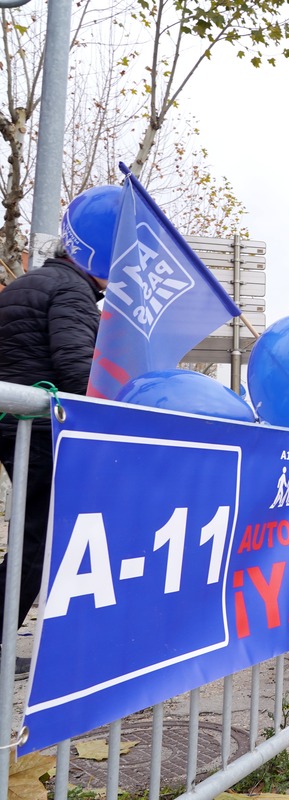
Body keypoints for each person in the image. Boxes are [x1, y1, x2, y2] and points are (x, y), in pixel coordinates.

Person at [0, 226, 109, 673]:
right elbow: (75, 368)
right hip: (38, 428)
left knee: (30, 532)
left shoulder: (28, 283)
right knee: (35, 538)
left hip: (14, 422)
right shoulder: (72, 291)